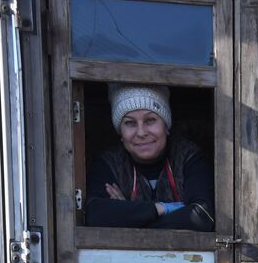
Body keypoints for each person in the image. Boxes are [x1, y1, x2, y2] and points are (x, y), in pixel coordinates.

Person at [85, 84, 214, 230]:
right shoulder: (110, 163)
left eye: (150, 120)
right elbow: (94, 215)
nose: (141, 133)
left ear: (166, 126)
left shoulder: (187, 156)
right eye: (130, 123)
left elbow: (202, 215)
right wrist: (161, 209)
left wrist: (127, 215)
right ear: (120, 133)